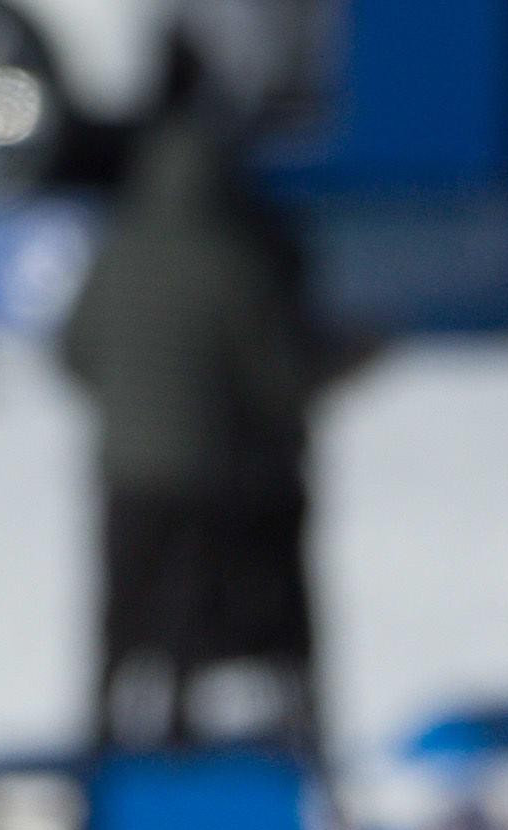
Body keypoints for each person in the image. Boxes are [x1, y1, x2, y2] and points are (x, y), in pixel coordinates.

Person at [54, 58, 343, 759]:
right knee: (199, 613)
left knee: (124, 614)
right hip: (212, 473)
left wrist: (125, 408)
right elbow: (275, 375)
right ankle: (204, 741)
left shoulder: (117, 250)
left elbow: (73, 350)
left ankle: (104, 734)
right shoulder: (236, 257)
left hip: (127, 471)